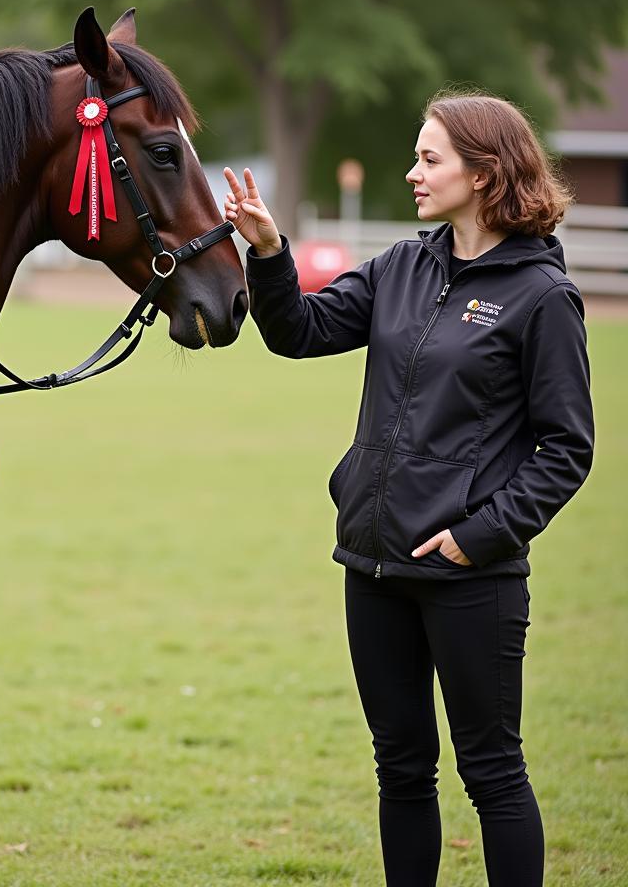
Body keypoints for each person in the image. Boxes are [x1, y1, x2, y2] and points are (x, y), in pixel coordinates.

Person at [223, 92, 594, 887]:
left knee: (491, 771)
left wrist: (479, 535)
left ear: (486, 172)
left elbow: (567, 449)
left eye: (430, 159)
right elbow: (300, 333)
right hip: (375, 565)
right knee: (400, 768)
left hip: (471, 579)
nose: (412, 172)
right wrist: (268, 250)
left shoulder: (542, 297)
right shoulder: (402, 267)